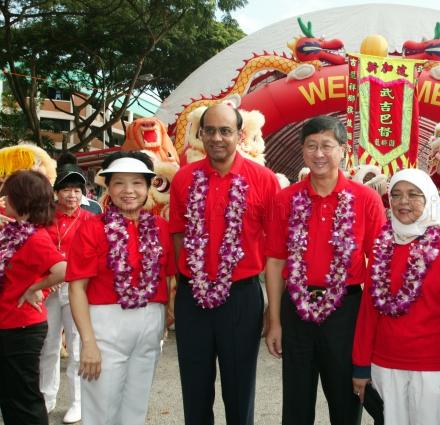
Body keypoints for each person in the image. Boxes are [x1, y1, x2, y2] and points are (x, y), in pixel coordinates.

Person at [264, 115, 386, 425]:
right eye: (311, 146)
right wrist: (275, 321)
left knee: (346, 399)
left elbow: (380, 265)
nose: (319, 154)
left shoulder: (365, 199)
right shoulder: (286, 199)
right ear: (303, 151)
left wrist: (373, 327)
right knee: (296, 402)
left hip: (346, 311)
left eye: (327, 146)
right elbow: (276, 260)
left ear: (343, 150)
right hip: (297, 309)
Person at [169, 103, 280, 425]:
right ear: (200, 134)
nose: (217, 138)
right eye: (210, 131)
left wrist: (272, 311)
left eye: (225, 131)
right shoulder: (184, 179)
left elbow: (275, 249)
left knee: (239, 388)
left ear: (239, 135)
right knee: (195, 387)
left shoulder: (263, 180)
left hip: (241, 298)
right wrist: (182, 286)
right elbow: (178, 234)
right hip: (193, 296)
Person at [66, 151, 175, 425]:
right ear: (109, 188)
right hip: (105, 325)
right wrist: (87, 343)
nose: (129, 191)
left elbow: (170, 278)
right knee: (102, 409)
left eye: (137, 183)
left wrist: (166, 316)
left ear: (149, 188)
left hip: (149, 323)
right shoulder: (92, 228)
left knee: (136, 407)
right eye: (119, 183)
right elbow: (77, 288)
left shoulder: (161, 228)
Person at [352, 168, 440, 425]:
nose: (403, 202)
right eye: (396, 194)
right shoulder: (383, 246)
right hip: (385, 364)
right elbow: (368, 311)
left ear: (429, 199)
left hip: (436, 368)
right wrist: (360, 365)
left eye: (413, 195)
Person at [0, 170, 67, 425]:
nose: (5, 200)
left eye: (9, 195)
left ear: (23, 199)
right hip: (8, 323)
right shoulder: (12, 230)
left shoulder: (35, 237)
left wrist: (34, 287)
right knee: (10, 396)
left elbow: (63, 269)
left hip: (22, 327)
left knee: (24, 399)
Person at [39, 162, 93, 423]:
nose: (72, 195)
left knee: (76, 347)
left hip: (76, 290)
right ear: (56, 192)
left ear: (83, 194)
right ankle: (47, 398)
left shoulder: (91, 219)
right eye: (67, 190)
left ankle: (77, 402)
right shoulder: (44, 217)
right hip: (48, 289)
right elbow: (36, 251)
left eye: (77, 190)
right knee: (48, 345)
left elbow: (93, 255)